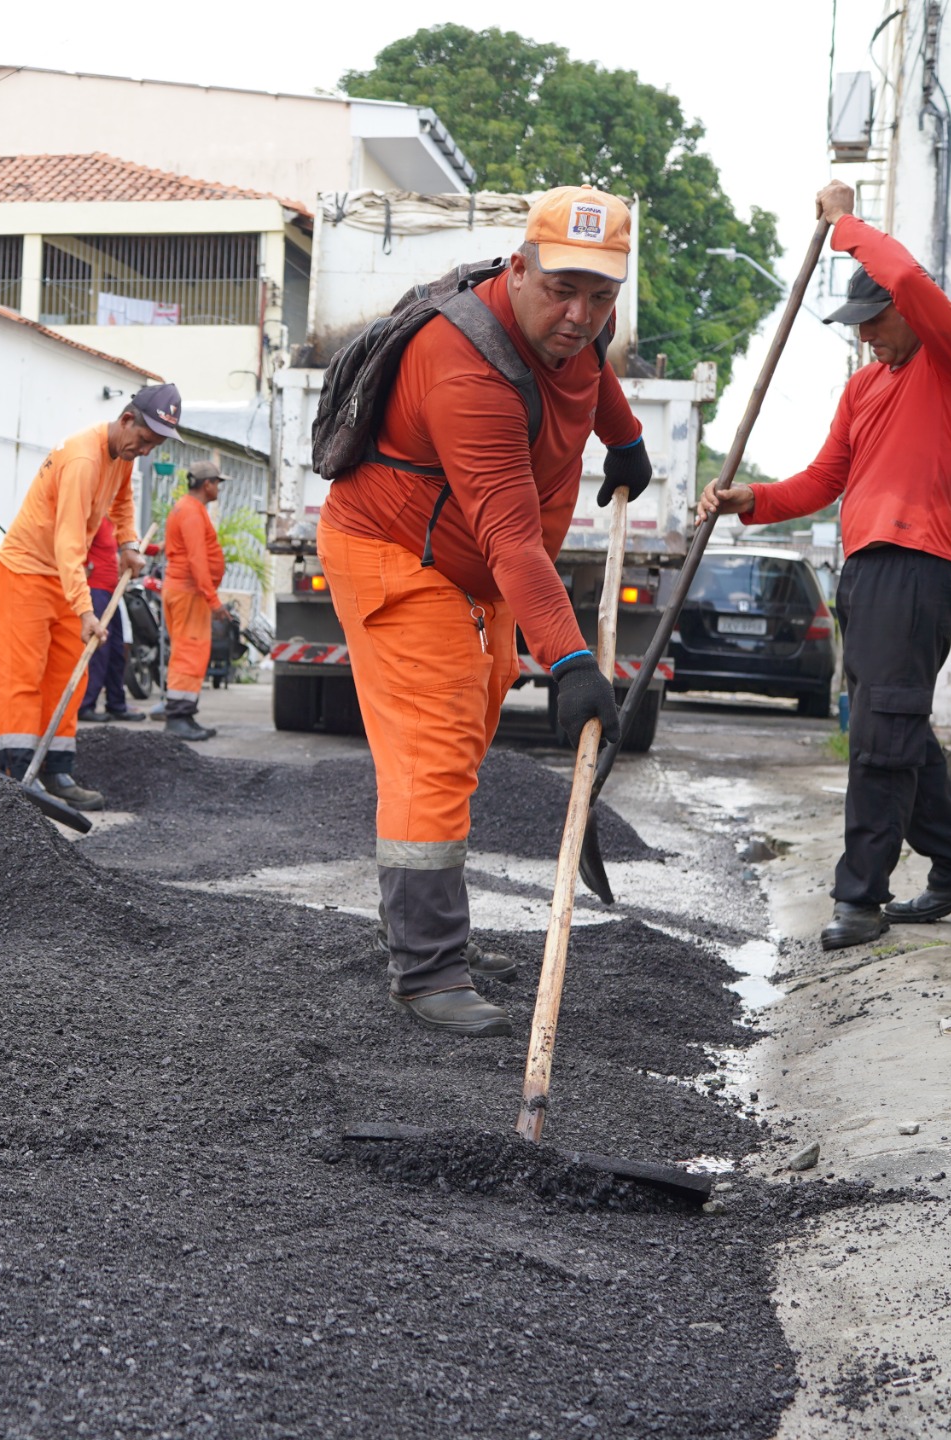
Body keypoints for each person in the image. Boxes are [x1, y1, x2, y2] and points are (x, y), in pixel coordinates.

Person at [318, 185, 652, 1037]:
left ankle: (426, 928)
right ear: (520, 268)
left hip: (479, 569)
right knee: (431, 751)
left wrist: (624, 438)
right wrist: (572, 664)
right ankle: (427, 971)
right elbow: (511, 536)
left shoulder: (580, 320)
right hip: (398, 551)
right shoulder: (466, 367)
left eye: (600, 295)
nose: (579, 315)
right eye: (562, 291)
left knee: (467, 733)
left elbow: (592, 365)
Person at [699, 180, 951, 950]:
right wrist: (748, 499)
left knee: (881, 737)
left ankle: (860, 899)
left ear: (909, 310)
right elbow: (824, 479)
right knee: (893, 731)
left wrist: (844, 223)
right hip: (866, 573)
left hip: (919, 565)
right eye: (857, 323)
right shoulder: (864, 388)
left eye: (874, 319)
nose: (865, 336)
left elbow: (902, 273)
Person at [0, 384, 176, 809]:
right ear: (126, 419)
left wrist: (128, 543)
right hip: (25, 573)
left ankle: (56, 771)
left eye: (154, 446)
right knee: (24, 678)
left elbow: (122, 501)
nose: (145, 451)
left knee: (67, 679)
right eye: (144, 440)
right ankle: (16, 775)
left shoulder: (122, 454)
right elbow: (70, 541)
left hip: (62, 576)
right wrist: (85, 609)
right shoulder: (82, 459)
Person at [161, 458, 229, 742]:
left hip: (185, 591)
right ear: (207, 484)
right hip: (189, 592)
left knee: (189, 651)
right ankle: (178, 717)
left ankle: (185, 714)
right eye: (217, 483)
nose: (218, 489)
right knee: (189, 653)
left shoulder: (187, 508)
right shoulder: (190, 511)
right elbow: (196, 559)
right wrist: (213, 600)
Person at [76, 514, 138, 724]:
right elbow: (76, 545)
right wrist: (84, 568)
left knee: (117, 649)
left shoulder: (114, 524)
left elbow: (130, 544)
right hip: (96, 590)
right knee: (99, 649)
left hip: (112, 592)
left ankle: (116, 703)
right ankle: (86, 704)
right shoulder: (94, 520)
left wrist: (154, 548)